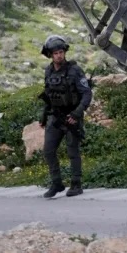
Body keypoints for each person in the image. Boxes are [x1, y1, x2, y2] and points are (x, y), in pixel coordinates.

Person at [38, 35, 91, 199]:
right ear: (50, 55)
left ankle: (76, 184)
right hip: (55, 116)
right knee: (48, 150)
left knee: (72, 150)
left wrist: (76, 114)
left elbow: (87, 94)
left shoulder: (75, 70)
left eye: (61, 52)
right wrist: (44, 116)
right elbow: (49, 94)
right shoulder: (48, 71)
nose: (59, 56)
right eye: (55, 53)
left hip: (71, 116)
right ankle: (56, 183)